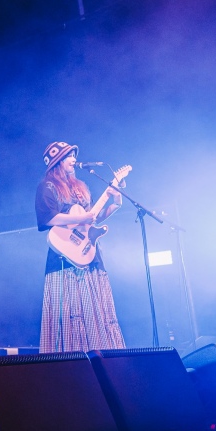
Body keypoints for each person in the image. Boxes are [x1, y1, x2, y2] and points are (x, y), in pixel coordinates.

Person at [35, 141, 126, 353]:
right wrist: (82, 217)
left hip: (90, 255)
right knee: (70, 312)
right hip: (64, 258)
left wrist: (116, 199)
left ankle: (102, 354)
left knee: (97, 310)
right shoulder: (47, 187)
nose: (74, 160)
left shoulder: (80, 188)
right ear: (57, 161)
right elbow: (48, 218)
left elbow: (94, 218)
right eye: (69, 156)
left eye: (73, 156)